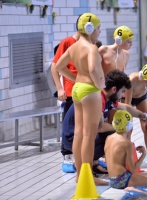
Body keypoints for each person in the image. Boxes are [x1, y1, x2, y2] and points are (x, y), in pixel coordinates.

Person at [61, 70, 147, 174]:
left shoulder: (106, 98)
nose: (122, 96)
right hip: (72, 138)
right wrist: (120, 127)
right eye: (122, 91)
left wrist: (145, 117)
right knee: (114, 134)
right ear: (114, 89)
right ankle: (82, 164)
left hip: (79, 136)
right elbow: (100, 127)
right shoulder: (98, 99)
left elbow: (126, 108)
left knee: (111, 132)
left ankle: (92, 163)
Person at [55, 13, 105, 185]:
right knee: (89, 136)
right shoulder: (92, 48)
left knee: (78, 134)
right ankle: (88, 177)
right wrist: (100, 84)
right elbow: (92, 68)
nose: (99, 32)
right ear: (90, 29)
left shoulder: (74, 47)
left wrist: (75, 79)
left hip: (77, 90)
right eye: (98, 28)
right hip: (90, 90)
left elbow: (59, 66)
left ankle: (79, 175)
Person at [105, 110, 147, 189]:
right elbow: (133, 170)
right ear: (130, 126)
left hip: (112, 180)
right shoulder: (126, 143)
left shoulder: (108, 138)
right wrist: (143, 154)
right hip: (122, 180)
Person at [51, 16, 81, 164]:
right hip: (70, 92)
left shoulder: (87, 44)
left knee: (80, 125)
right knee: (69, 125)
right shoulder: (68, 42)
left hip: (84, 92)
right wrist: (59, 88)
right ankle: (67, 154)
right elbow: (55, 65)